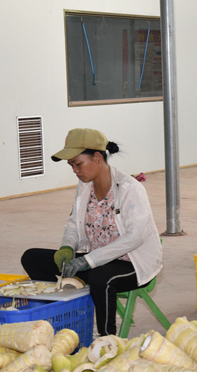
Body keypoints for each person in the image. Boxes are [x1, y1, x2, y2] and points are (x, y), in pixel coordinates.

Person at [21, 128, 163, 337]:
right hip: (96, 261)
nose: (75, 170)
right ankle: (64, 318)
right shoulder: (84, 187)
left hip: (131, 263)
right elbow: (73, 222)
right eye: (71, 166)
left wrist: (88, 261)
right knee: (32, 258)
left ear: (97, 157)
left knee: (99, 277)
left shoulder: (129, 189)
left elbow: (134, 237)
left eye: (78, 164)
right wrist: (68, 246)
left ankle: (107, 341)